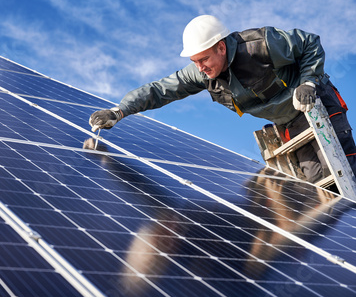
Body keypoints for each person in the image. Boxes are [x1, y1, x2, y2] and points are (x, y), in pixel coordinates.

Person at [89, 15, 356, 184]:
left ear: (221, 46)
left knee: (345, 172)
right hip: (288, 124)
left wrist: (309, 81)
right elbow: (160, 90)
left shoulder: (260, 44)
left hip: (314, 106)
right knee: (321, 186)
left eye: (204, 59)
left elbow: (309, 43)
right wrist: (120, 110)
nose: (200, 67)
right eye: (195, 61)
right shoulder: (202, 74)